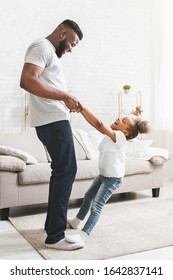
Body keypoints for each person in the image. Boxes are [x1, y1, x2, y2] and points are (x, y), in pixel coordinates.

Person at [20, 19, 85, 250]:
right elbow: (27, 80)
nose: (71, 48)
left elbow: (43, 84)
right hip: (51, 121)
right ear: (63, 32)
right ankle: (55, 237)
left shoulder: (49, 53)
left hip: (55, 118)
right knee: (67, 169)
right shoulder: (42, 47)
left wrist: (66, 98)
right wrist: (63, 97)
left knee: (62, 169)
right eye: (72, 43)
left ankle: (53, 226)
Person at [67, 106, 150, 246]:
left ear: (125, 131)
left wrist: (81, 108)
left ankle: (83, 236)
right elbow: (96, 125)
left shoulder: (119, 137)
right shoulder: (110, 136)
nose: (119, 118)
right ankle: (76, 221)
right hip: (104, 175)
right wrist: (81, 112)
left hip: (113, 179)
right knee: (88, 196)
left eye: (123, 120)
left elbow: (99, 124)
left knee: (96, 206)